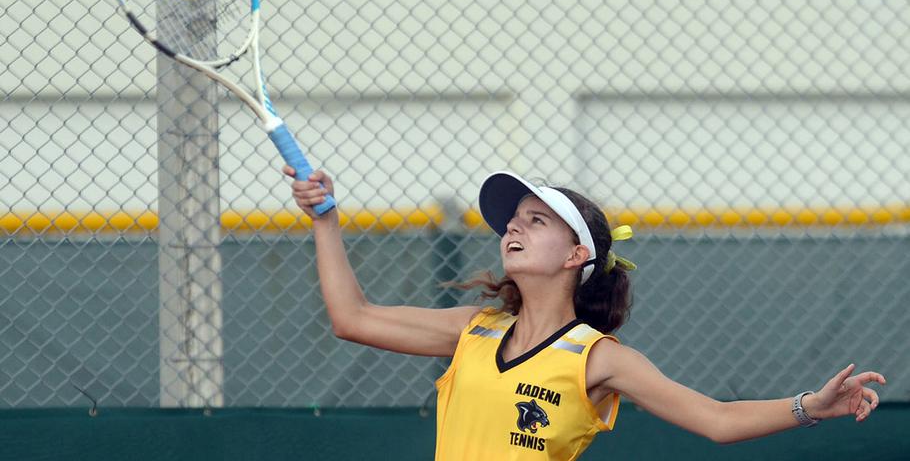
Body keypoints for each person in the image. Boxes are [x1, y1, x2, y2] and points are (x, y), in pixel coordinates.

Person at [284, 167, 887, 460]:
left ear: (578, 254)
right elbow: (352, 317)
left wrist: (811, 405)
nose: (514, 226)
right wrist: (326, 220)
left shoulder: (596, 358)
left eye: (535, 219)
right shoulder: (474, 328)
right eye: (513, 219)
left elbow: (718, 419)